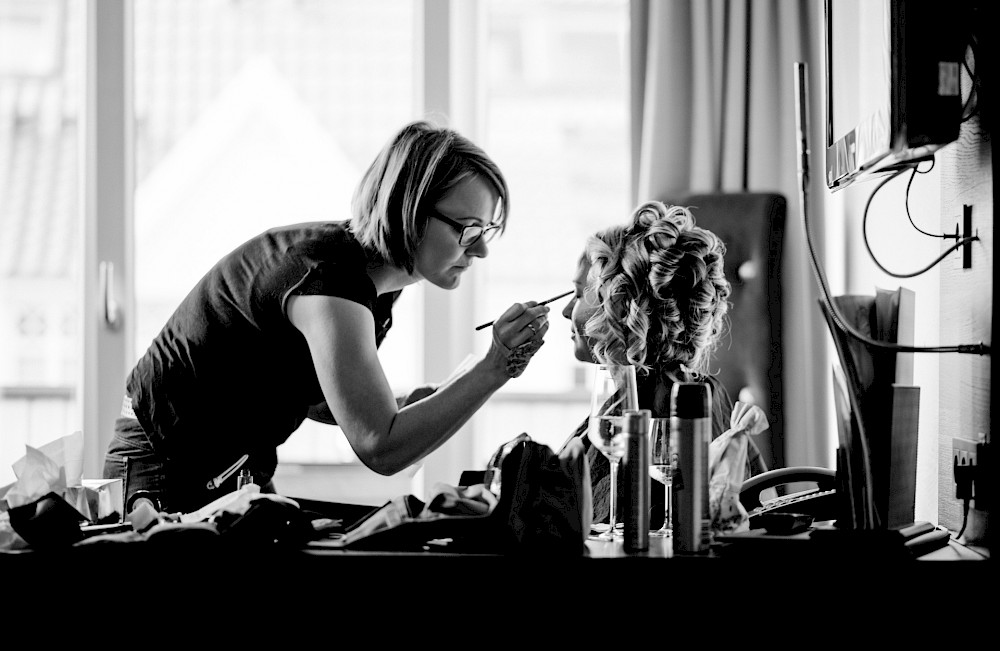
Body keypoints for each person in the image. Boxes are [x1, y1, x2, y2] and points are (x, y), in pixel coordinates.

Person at [105, 119, 551, 515]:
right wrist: (495, 367)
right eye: (467, 228)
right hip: (167, 462)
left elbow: (319, 398)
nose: (481, 248)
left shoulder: (367, 279)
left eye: (488, 230)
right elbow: (381, 447)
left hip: (227, 463)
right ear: (411, 211)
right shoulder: (331, 281)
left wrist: (420, 399)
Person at [558, 200, 767, 527]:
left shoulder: (679, 412)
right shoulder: (638, 399)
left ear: (618, 304)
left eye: (576, 292)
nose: (566, 311)